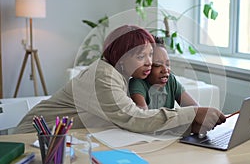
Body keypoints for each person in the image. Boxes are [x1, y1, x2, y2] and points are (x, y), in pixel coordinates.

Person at [15, 25, 226, 136]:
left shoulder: (125, 76)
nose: (149, 63)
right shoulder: (103, 77)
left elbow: (139, 118)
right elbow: (135, 118)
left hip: (70, 138)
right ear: (121, 58)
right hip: (37, 138)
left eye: (149, 55)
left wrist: (189, 125)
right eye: (140, 56)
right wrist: (193, 114)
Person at [129, 36, 198, 110]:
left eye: (167, 64)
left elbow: (195, 110)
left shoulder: (171, 81)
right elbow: (144, 116)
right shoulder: (137, 83)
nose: (165, 70)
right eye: (158, 65)